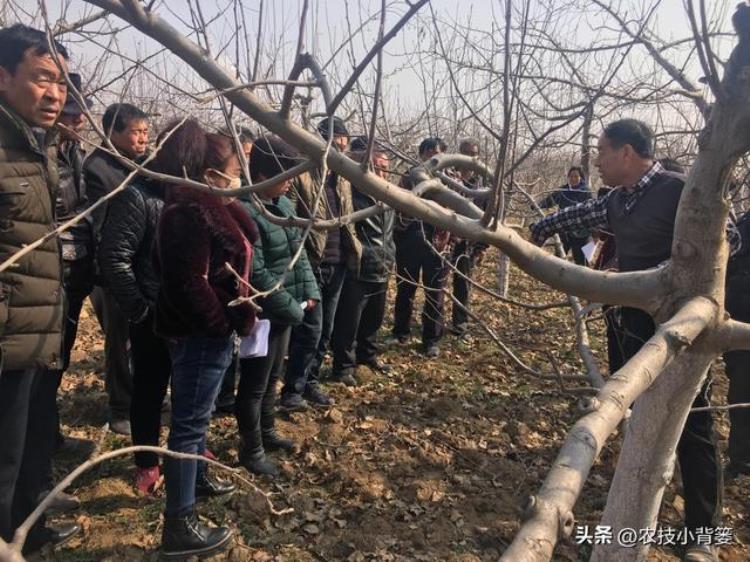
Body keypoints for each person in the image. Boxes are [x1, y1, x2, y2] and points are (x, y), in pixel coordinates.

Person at [530, 119, 722, 562]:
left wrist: (673, 274)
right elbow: (578, 214)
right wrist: (537, 230)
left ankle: (704, 533)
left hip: (679, 330)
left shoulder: (680, 190)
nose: (595, 159)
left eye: (602, 150)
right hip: (628, 324)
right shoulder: (619, 200)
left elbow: (725, 237)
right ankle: (639, 505)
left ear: (627, 154)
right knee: (640, 415)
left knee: (693, 424)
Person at [155, 130, 256, 559]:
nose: (239, 177)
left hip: (212, 332)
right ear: (209, 173)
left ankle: (196, 476)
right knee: (188, 424)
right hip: (199, 334)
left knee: (200, 416)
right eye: (234, 171)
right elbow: (189, 284)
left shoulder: (211, 207)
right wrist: (221, 322)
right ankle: (179, 522)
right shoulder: (187, 214)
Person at [0, 24, 81, 553]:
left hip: (34, 332)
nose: (55, 94)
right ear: (3, 78)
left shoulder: (37, 149)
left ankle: (26, 530)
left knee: (24, 447)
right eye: (41, 79)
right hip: (7, 337)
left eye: (62, 83)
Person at [99, 120, 200, 496]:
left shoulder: (189, 197)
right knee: (150, 390)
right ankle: (145, 462)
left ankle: (187, 455)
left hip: (188, 315)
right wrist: (140, 310)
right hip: (154, 316)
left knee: (188, 390)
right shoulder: (137, 195)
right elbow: (114, 257)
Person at [236, 136, 320, 476]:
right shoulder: (244, 210)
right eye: (284, 176)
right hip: (261, 313)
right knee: (254, 384)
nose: (289, 183)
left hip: (285, 310)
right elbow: (255, 270)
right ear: (264, 174)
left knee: (273, 377)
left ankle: (268, 431)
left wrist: (310, 290)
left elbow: (298, 256)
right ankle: (250, 448)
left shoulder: (283, 206)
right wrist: (287, 305)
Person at [282, 116, 361, 405]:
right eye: (335, 143)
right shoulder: (301, 174)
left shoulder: (344, 179)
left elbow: (348, 221)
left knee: (325, 329)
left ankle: (310, 383)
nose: (340, 149)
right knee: (309, 330)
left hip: (338, 263)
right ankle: (292, 388)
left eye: (343, 144)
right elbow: (286, 215)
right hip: (311, 262)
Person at [84, 102, 150, 435]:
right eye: (136, 132)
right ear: (113, 132)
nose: (143, 139)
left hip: (140, 264)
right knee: (120, 340)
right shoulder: (97, 168)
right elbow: (104, 225)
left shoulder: (139, 164)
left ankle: (139, 395)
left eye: (145, 132)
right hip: (111, 268)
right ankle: (120, 407)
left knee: (141, 337)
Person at [330, 137, 396, 385]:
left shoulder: (390, 195)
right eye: (378, 166)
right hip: (358, 267)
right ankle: (342, 367)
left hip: (383, 264)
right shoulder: (351, 194)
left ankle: (367, 357)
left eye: (386, 167)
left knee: (374, 318)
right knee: (349, 322)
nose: (383, 172)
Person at [391, 137, 450, 357]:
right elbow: (397, 206)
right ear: (421, 154)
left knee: (435, 294)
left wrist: (449, 240)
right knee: (405, 290)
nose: (433, 156)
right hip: (409, 241)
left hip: (438, 245)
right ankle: (401, 331)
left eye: (438, 152)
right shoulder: (408, 177)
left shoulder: (448, 179)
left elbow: (457, 213)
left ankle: (431, 339)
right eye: (429, 152)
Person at [449, 138, 487, 335]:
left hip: (468, 243)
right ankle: (432, 325)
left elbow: (488, 218)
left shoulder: (482, 186)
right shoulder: (449, 178)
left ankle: (460, 323)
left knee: (463, 284)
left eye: (474, 154)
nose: (471, 158)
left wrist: (481, 247)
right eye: (467, 153)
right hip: (445, 240)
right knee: (437, 284)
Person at [723, 208, 750, 481]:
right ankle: (741, 457)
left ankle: (741, 457)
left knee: (742, 389)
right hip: (741, 323)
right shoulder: (743, 223)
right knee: (741, 389)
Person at [538, 166, 592, 265]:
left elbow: (589, 211)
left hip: (580, 232)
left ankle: (581, 279)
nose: (573, 179)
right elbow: (550, 200)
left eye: (576, 176)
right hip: (564, 230)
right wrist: (537, 206)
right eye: (571, 176)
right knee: (558, 259)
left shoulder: (586, 192)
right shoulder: (563, 190)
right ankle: (555, 278)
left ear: (581, 178)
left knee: (581, 261)